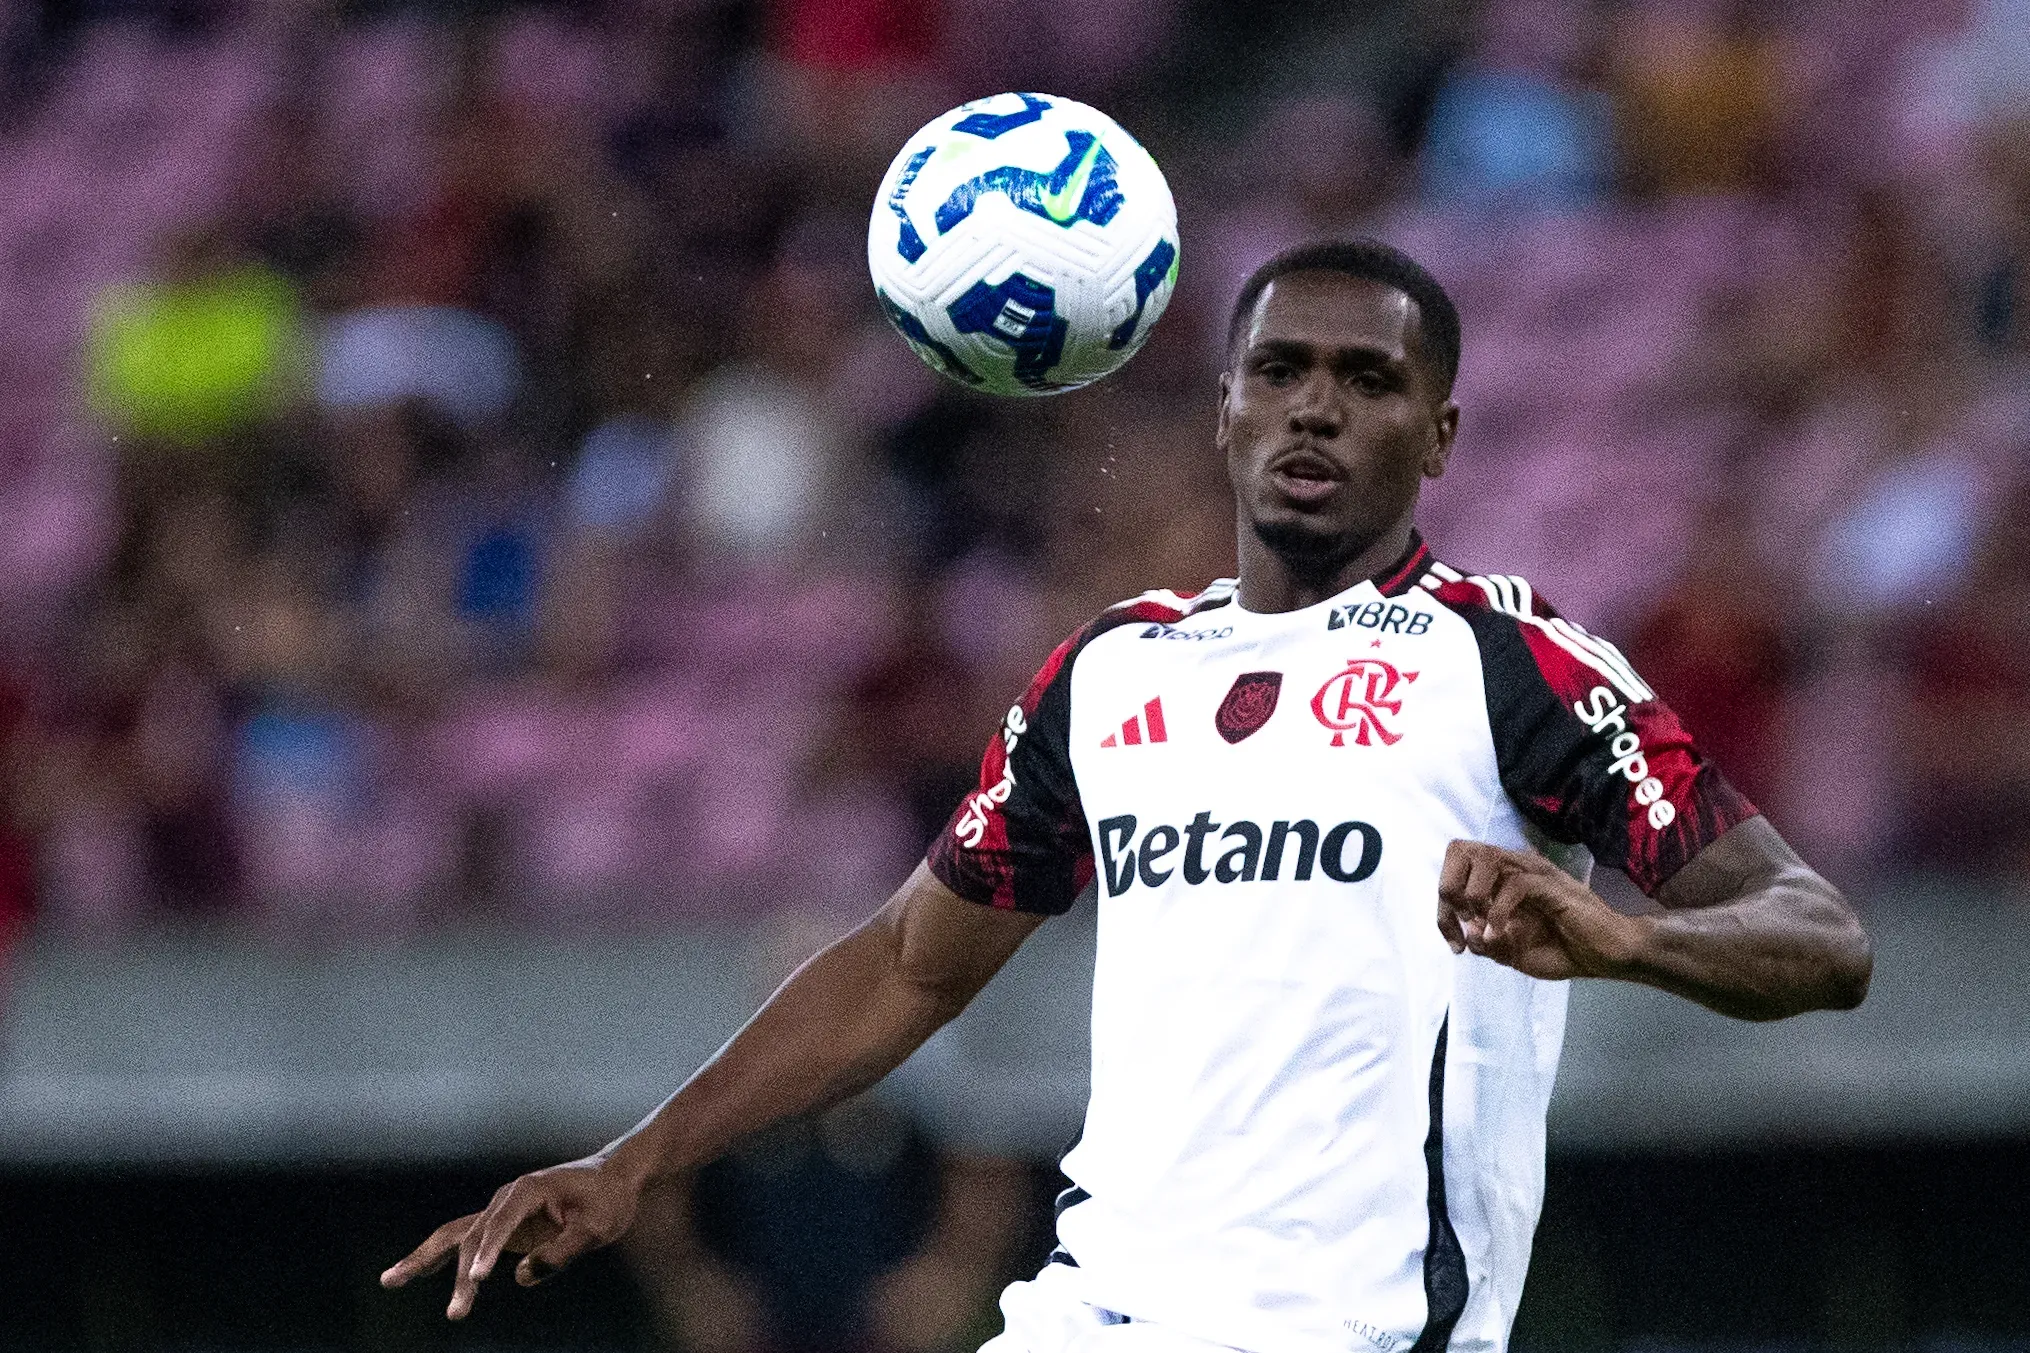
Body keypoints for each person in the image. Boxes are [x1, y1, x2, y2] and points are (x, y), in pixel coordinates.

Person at [381, 240, 1873, 1353]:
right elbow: (909, 962)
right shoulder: (1110, 672)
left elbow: (1818, 938)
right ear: (1222, 405)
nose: (1313, 410)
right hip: (1089, 1312)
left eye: (1367, 382)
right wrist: (634, 1159)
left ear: (1438, 436)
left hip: (1343, 1331)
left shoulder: (1513, 666)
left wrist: (1626, 944)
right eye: (1280, 371)